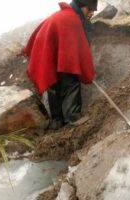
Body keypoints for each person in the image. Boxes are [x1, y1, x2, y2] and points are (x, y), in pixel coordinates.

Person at [24, 0, 98, 130]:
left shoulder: (63, 14)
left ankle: (57, 120)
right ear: (82, 6)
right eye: (90, 9)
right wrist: (85, 71)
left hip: (46, 59)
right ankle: (73, 117)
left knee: (54, 84)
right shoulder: (71, 19)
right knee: (71, 81)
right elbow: (73, 56)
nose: (91, 13)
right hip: (51, 57)